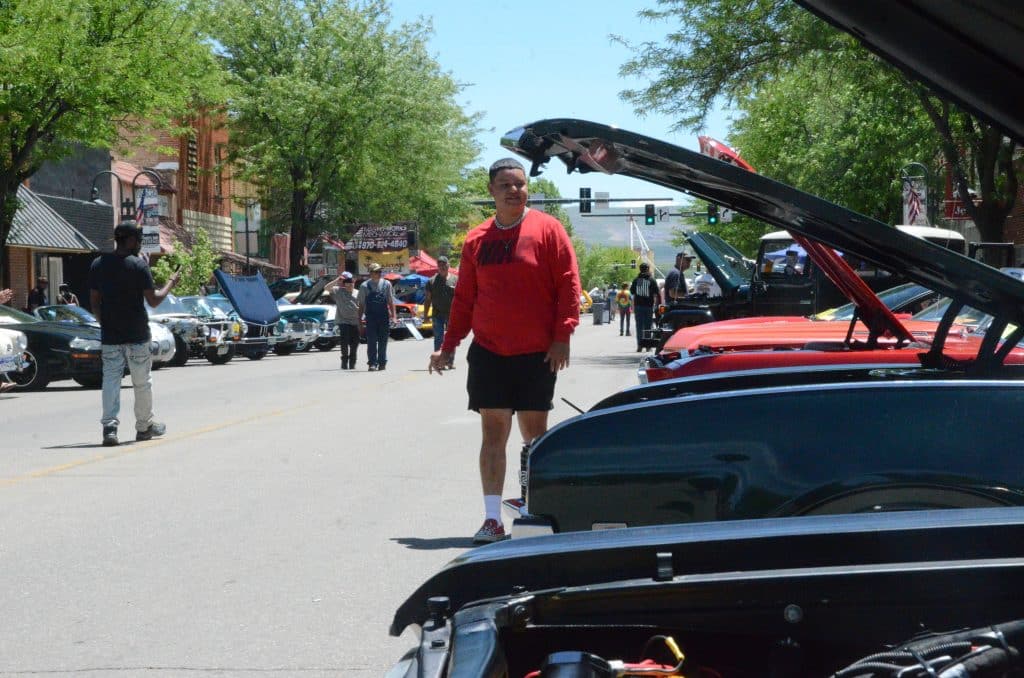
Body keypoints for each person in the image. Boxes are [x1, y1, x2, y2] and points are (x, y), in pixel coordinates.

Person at [427, 157, 581, 544]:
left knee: (534, 435)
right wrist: (448, 346)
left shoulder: (548, 229)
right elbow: (465, 299)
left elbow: (568, 284)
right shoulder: (477, 239)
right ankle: (493, 519)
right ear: (491, 191)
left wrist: (562, 336)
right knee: (493, 434)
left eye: (520, 184)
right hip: (490, 352)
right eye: (505, 185)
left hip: (536, 353)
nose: (514, 191)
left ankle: (534, 511)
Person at [88, 222, 180, 446]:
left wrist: (104, 322)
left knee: (111, 381)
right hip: (137, 333)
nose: (139, 243)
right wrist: (171, 282)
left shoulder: (98, 264)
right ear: (129, 240)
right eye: (137, 239)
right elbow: (154, 300)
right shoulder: (138, 266)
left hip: (111, 335)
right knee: (142, 382)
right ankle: (144, 426)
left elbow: (94, 302)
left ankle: (110, 428)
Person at [357, 262, 396, 371]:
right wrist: (359, 321)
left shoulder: (387, 284)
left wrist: (394, 316)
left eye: (380, 271)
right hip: (371, 318)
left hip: (384, 317)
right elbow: (361, 305)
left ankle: (382, 362)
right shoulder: (364, 286)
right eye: (376, 271)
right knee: (372, 341)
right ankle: (372, 363)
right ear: (370, 273)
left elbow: (390, 301)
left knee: (383, 341)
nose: (379, 273)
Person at [422, 255, 458, 363]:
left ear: (448, 265)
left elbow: (461, 298)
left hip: (452, 314)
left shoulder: (455, 279)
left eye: (444, 264)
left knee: (451, 338)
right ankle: (439, 360)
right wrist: (425, 316)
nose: (442, 267)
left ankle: (450, 361)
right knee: (438, 338)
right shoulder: (431, 281)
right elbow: (427, 300)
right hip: (437, 314)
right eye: (440, 265)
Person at [328, 271, 360, 369]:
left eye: (351, 283)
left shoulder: (358, 293)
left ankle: (352, 362)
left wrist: (360, 310)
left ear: (354, 283)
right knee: (344, 341)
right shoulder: (339, 291)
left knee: (355, 343)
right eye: (347, 283)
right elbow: (326, 288)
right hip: (343, 321)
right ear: (344, 284)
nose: (350, 285)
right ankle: (344, 361)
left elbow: (364, 306)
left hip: (355, 321)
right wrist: (338, 279)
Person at [630, 262, 661, 352]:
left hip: (638, 306)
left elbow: (632, 291)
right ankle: (648, 346)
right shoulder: (651, 280)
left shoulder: (636, 280)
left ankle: (640, 346)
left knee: (639, 326)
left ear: (640, 269)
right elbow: (657, 292)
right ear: (647, 269)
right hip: (648, 306)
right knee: (648, 326)